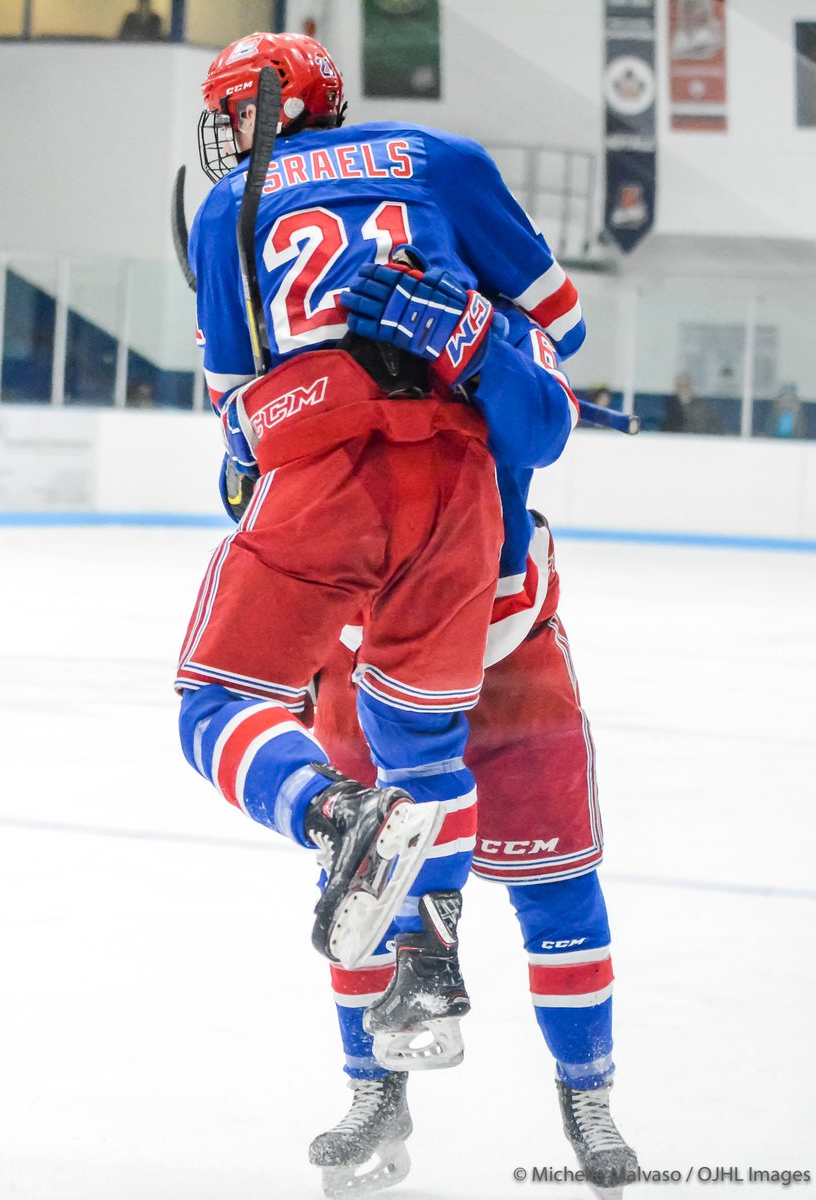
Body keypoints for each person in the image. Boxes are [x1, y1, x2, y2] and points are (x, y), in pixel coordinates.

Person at [189, 31, 636, 1198]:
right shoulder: (438, 193)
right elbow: (553, 378)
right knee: (390, 881)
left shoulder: (268, 235)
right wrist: (490, 347)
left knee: (540, 877)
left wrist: (483, 346)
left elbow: (535, 409)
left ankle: (586, 1107)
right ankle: (377, 1098)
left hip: (481, 624)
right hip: (453, 606)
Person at [178, 29, 512, 1069]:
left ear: (278, 107)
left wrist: (253, 464)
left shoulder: (228, 208)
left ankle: (334, 813)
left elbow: (240, 399)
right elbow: (558, 320)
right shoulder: (441, 161)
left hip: (329, 463)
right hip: (463, 478)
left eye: (237, 110)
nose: (228, 133)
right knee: (427, 746)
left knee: (214, 705)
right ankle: (433, 971)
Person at [660, 370, 722, 435]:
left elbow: (715, 429)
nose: (683, 388)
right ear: (675, 388)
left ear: (692, 387)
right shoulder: (669, 408)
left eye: (686, 385)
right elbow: (666, 432)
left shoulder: (702, 407)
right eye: (680, 385)